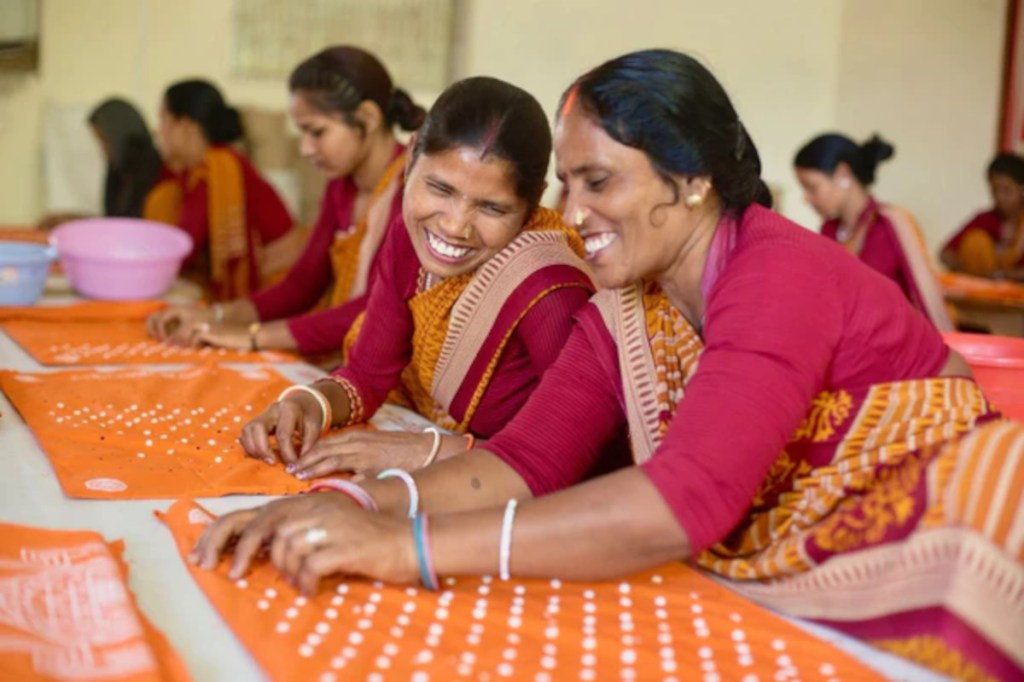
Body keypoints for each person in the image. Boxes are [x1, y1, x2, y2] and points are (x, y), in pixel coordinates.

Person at [192, 50, 1024, 681]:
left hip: (952, 530)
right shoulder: (632, 300)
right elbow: (526, 461)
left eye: (598, 183)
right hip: (789, 552)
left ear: (690, 181)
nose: (570, 214)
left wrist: (403, 547)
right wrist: (337, 505)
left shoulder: (777, 273)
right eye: (566, 184)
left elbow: (680, 503)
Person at [234, 75, 596, 478]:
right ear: (408, 164)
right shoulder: (410, 239)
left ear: (531, 205)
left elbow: (576, 455)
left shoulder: (548, 289)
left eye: (492, 208)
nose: (456, 226)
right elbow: (367, 376)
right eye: (440, 188)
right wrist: (309, 404)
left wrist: (423, 451)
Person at [147, 47, 424, 355]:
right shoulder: (341, 187)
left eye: (316, 132)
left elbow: (374, 311)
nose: (305, 149)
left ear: (368, 118)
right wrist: (214, 315)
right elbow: (301, 286)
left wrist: (252, 336)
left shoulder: (414, 191)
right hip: (351, 355)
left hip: (395, 372)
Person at [143, 79, 303, 300]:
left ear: (186, 126)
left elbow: (184, 244)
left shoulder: (217, 166)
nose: (158, 131)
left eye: (164, 120)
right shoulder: (194, 170)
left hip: (280, 284)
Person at [794, 133, 953, 329]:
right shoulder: (829, 231)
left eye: (812, 187)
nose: (806, 199)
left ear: (843, 175)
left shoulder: (891, 223)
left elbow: (927, 299)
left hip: (893, 344)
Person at [37, 98, 163, 229]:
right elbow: (113, 221)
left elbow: (131, 227)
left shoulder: (154, 171)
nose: (102, 150)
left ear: (118, 135)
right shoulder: (117, 171)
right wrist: (70, 219)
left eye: (103, 140)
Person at [941, 153, 1024, 280]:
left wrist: (1001, 275)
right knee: (976, 241)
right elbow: (945, 253)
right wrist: (969, 272)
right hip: (979, 292)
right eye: (995, 190)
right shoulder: (984, 220)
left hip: (1017, 295)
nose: (1000, 197)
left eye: (1006, 190)